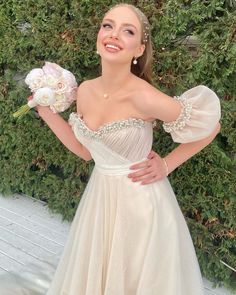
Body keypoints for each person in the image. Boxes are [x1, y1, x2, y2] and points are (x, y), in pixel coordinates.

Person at [0, 3, 221, 295]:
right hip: (100, 200)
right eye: (108, 25)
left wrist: (167, 164)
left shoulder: (144, 97)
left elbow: (211, 126)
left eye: (127, 31)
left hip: (141, 208)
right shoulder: (86, 90)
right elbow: (86, 151)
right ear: (98, 36)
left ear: (139, 50)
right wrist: (49, 114)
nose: (113, 34)